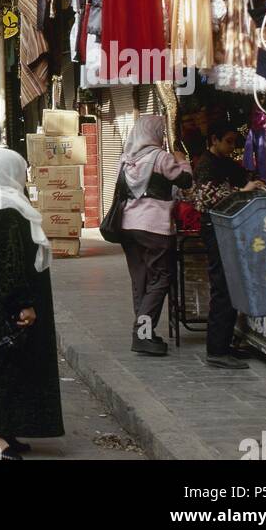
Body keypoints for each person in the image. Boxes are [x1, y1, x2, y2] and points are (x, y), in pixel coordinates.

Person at [0, 149, 64, 460]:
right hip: (4, 306)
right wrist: (23, 303)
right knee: (1, 367)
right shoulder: (8, 210)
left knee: (7, 365)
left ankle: (3, 428)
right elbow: (11, 263)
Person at [116, 116, 193, 356]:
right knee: (161, 277)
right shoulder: (160, 157)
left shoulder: (125, 159)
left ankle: (145, 333)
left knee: (141, 280)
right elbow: (186, 182)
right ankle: (142, 333)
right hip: (155, 228)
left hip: (128, 227)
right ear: (155, 133)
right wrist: (184, 162)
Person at [191, 124, 265, 369]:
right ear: (215, 139)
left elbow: (245, 176)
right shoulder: (206, 164)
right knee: (222, 286)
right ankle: (217, 350)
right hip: (215, 229)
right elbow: (205, 200)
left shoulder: (224, 162)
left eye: (235, 143)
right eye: (229, 141)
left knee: (230, 285)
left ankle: (224, 344)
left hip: (227, 229)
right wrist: (243, 191)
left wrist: (254, 183)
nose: (232, 147)